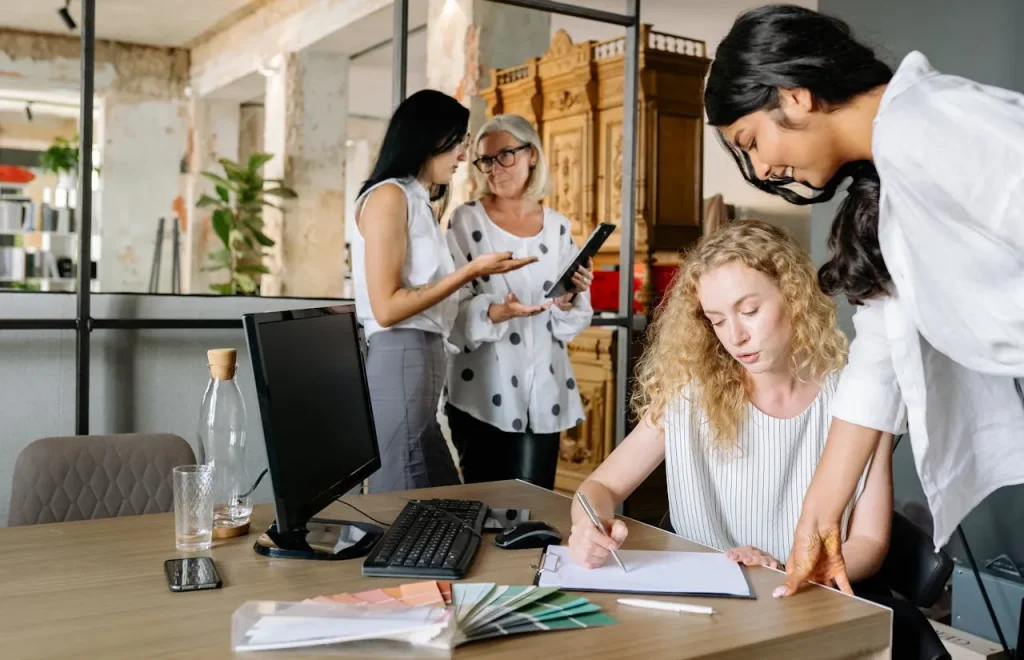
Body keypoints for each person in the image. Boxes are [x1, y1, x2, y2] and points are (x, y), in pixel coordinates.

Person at [704, 4, 1024, 597]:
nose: (764, 166)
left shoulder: (932, 123)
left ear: (794, 96)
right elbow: (877, 367)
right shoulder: (890, 177)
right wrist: (817, 525)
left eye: (751, 141)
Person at [568, 221, 947, 659]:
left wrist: (787, 571)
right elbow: (599, 488)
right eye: (717, 321)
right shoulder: (689, 394)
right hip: (703, 615)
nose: (735, 337)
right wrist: (588, 526)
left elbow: (868, 545)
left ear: (794, 296)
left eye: (749, 311)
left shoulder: (858, 400)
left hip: (804, 609)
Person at [352, 90, 535, 493]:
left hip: (420, 363)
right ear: (426, 138)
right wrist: (471, 270)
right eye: (457, 142)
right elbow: (387, 308)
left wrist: (491, 308)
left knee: (443, 502)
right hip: (401, 356)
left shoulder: (415, 200)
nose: (462, 155)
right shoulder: (389, 196)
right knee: (405, 506)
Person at [444, 114, 594, 489]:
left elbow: (570, 321)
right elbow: (450, 309)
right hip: (481, 392)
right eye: (485, 160)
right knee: (485, 510)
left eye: (505, 155)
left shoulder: (559, 226)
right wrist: (499, 312)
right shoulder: (465, 221)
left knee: (535, 512)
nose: (494, 169)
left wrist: (569, 299)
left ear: (531, 155)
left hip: (544, 390)